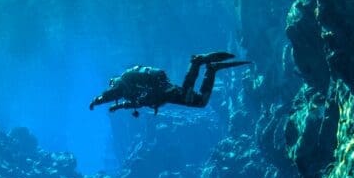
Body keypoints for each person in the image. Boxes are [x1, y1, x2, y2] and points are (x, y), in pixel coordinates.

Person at [89, 51, 251, 116]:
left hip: (161, 91)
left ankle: (196, 62)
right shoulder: (129, 91)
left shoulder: (123, 86)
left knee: (188, 95)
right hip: (161, 93)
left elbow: (109, 95)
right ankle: (212, 69)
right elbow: (134, 103)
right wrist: (117, 107)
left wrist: (96, 102)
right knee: (200, 102)